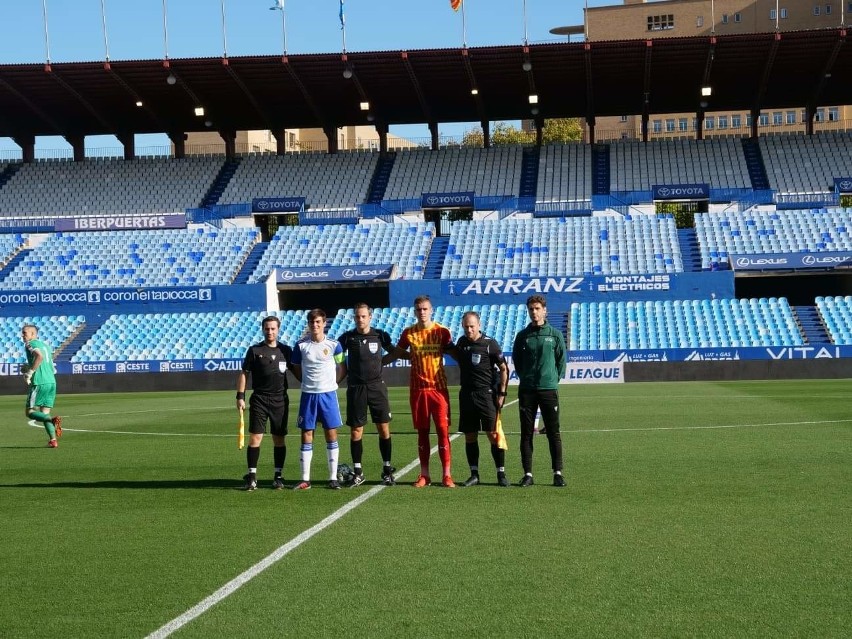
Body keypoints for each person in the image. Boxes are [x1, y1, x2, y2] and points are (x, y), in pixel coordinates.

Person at [385, 295, 455, 488]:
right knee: (422, 433)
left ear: (431, 310)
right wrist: (378, 363)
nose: (422, 312)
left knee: (443, 431)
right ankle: (424, 475)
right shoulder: (409, 333)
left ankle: (446, 475)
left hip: (438, 389)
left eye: (425, 309)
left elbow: (454, 352)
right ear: (414, 311)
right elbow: (397, 353)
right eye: (419, 309)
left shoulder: (442, 332)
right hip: (418, 390)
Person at [337, 303, 396, 487]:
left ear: (370, 317)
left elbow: (393, 353)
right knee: (356, 431)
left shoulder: (380, 335)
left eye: (363, 316)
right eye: (357, 317)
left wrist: (381, 363)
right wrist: (338, 378)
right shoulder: (346, 338)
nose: (360, 320)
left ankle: (387, 470)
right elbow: (339, 360)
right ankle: (358, 472)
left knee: (383, 428)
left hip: (377, 388)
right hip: (356, 388)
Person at [512, 295, 567, 487]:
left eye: (537, 308)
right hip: (527, 390)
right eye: (531, 309)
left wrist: (552, 379)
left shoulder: (554, 334)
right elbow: (517, 362)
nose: (534, 312)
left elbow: (561, 361)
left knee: (553, 432)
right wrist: (526, 377)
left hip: (548, 390)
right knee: (526, 433)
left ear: (545, 310)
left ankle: (558, 473)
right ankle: (528, 474)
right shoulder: (522, 336)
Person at [289, 308, 346, 490]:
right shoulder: (301, 346)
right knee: (306, 434)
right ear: (309, 324)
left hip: (328, 395)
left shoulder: (334, 345)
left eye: (318, 322)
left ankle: (332, 477)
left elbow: (342, 367)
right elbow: (296, 367)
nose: (315, 325)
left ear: (324, 324)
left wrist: (333, 382)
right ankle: (305, 479)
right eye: (312, 322)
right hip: (308, 395)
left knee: (331, 433)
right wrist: (306, 381)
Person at [236, 315, 293, 491]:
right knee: (256, 438)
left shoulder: (286, 350)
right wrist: (240, 396)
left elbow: (298, 372)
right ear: (263, 329)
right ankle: (252, 476)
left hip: (280, 400)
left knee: (279, 439)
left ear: (278, 329)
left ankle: (278, 476)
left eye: (273, 328)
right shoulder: (254, 350)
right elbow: (244, 373)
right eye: (267, 328)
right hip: (260, 399)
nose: (270, 331)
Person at [454, 311, 510, 487]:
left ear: (479, 325)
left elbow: (503, 369)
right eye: (466, 327)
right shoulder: (461, 343)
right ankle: (474, 474)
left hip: (486, 395)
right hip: (467, 395)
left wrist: (501, 394)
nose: (469, 330)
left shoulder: (489, 344)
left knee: (493, 435)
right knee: (470, 436)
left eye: (472, 326)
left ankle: (501, 473)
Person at [21, 325, 62, 448]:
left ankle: (52, 420)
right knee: (45, 411)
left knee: (29, 412)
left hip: (39, 382)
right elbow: (44, 361)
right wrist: (28, 366)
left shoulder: (30, 344)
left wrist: (30, 372)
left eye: (25, 333)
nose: (22, 335)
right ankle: (53, 440)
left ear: (33, 334)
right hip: (51, 382)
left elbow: (39, 357)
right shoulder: (46, 346)